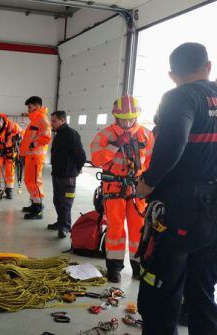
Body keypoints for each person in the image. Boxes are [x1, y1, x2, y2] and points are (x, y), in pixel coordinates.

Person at [136, 43, 217, 335]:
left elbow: (174, 143)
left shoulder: (180, 96)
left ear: (172, 75)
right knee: (203, 289)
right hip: (213, 211)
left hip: (180, 209)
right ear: (207, 66)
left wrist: (148, 182)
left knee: (161, 288)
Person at [90, 95, 154, 283]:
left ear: (137, 116)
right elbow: (96, 159)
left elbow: (150, 161)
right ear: (116, 117)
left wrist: (148, 185)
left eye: (131, 118)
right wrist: (115, 145)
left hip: (136, 189)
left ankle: (138, 266)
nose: (127, 122)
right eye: (123, 118)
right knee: (115, 228)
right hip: (114, 188)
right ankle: (114, 267)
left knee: (139, 228)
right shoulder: (106, 135)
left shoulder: (145, 134)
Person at [48, 111, 86, 238]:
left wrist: (77, 169)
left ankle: (65, 227)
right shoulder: (59, 134)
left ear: (62, 121)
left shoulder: (71, 134)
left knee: (66, 202)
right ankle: (61, 222)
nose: (51, 123)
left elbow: (81, 155)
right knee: (57, 200)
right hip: (57, 173)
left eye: (54, 121)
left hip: (68, 175)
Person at [20, 96, 52, 220]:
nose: (28, 110)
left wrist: (33, 144)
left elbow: (46, 138)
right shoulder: (34, 120)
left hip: (35, 156)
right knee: (29, 181)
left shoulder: (42, 119)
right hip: (30, 156)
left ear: (37, 106)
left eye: (30, 107)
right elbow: (28, 138)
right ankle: (34, 203)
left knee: (35, 182)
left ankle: (38, 209)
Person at [0, 114, 22, 200]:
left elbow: (22, 133)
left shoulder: (13, 126)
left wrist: (19, 138)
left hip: (10, 150)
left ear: (3, 122)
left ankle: (9, 190)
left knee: (10, 170)